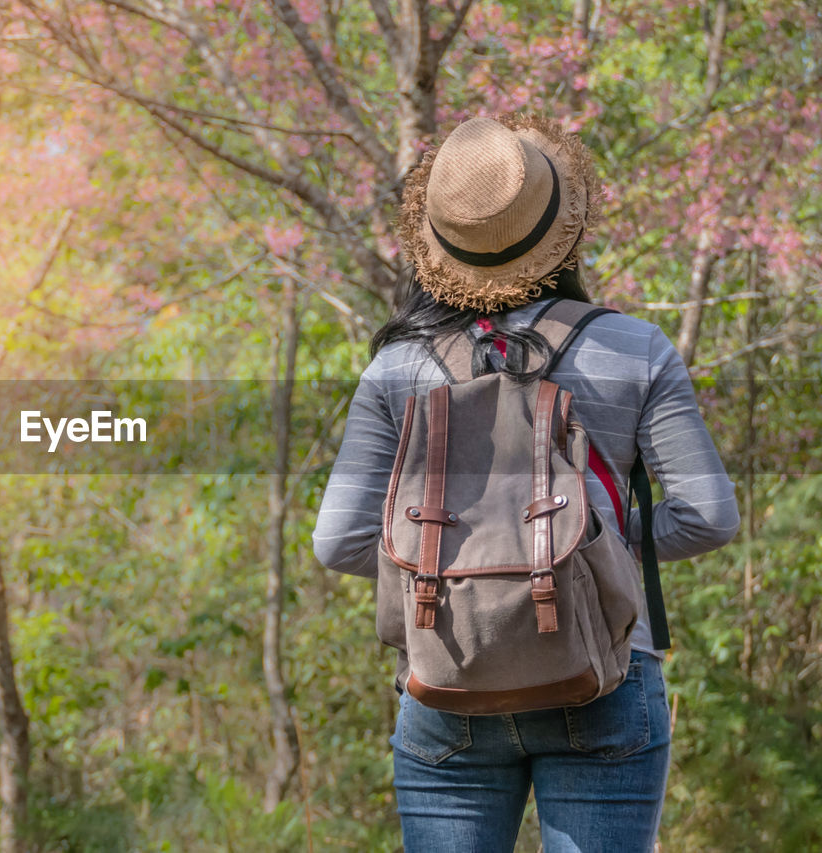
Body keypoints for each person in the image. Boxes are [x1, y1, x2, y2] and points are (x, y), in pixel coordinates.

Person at [312, 114, 740, 851]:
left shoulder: (397, 368)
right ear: (563, 232)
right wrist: (588, 549)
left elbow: (338, 540)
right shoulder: (635, 347)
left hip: (448, 672)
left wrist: (452, 571)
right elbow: (708, 515)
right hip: (603, 670)